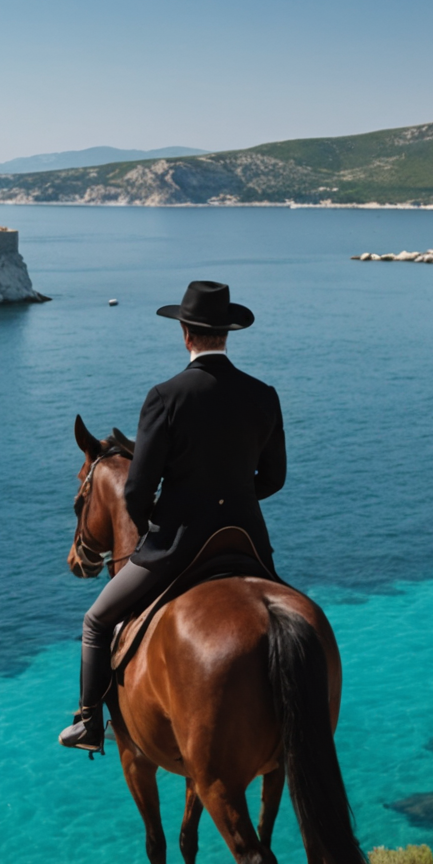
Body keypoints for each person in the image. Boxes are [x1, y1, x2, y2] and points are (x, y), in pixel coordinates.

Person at [59, 281, 287, 752]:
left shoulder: (165, 396)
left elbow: (138, 490)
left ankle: (89, 723)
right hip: (249, 544)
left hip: (178, 545)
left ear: (185, 334)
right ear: (227, 333)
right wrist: (238, 495)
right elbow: (274, 478)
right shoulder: (264, 395)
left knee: (96, 622)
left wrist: (160, 521)